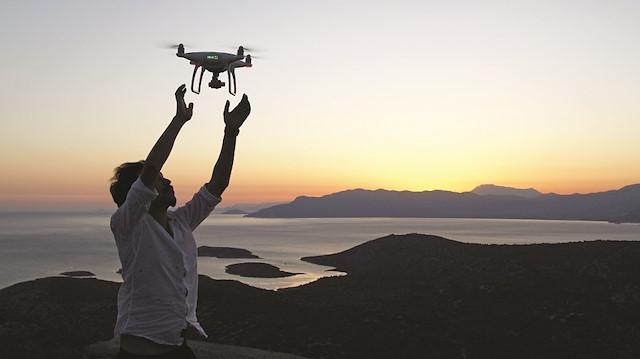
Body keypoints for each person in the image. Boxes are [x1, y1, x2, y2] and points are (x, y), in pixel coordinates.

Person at [109, 84, 250, 358]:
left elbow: (217, 185)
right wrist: (179, 120)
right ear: (140, 192)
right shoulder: (128, 224)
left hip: (176, 344)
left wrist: (231, 131)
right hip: (141, 350)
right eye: (161, 181)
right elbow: (151, 169)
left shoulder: (180, 222)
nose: (168, 180)